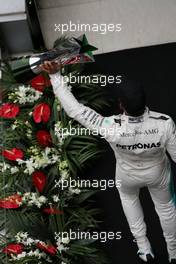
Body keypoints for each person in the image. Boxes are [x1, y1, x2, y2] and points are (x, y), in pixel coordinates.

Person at [40, 61, 176, 263]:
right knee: (166, 209)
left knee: (129, 201)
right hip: (158, 174)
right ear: (145, 101)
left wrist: (55, 76)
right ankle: (173, 253)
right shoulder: (165, 122)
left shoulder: (109, 126)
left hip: (127, 176)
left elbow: (75, 110)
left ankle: (144, 248)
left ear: (121, 104)